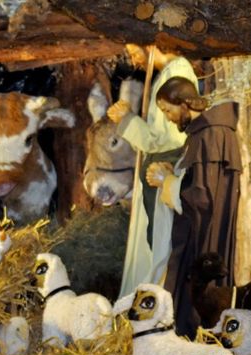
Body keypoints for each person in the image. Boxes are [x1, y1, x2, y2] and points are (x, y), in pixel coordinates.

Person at [146, 78, 241, 338]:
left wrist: (167, 182)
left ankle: (195, 336)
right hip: (194, 230)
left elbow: (203, 197)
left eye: (168, 110)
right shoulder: (201, 134)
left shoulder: (212, 134)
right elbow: (196, 181)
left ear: (185, 104)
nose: (168, 118)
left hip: (203, 234)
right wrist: (173, 174)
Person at [107, 44, 199, 299]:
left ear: (151, 45)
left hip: (163, 173)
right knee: (152, 240)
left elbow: (168, 139)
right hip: (156, 172)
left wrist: (127, 120)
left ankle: (156, 295)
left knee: (158, 243)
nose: (133, 59)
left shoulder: (177, 72)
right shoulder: (167, 73)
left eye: (134, 51)